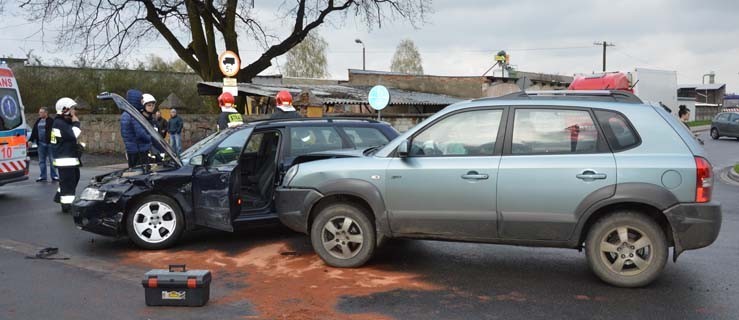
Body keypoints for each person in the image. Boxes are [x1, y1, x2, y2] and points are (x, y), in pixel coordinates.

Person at [51, 97, 82, 213]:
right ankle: (66, 205)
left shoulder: (62, 122)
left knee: (72, 180)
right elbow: (74, 134)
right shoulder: (60, 123)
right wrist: (76, 122)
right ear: (65, 110)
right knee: (68, 182)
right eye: (72, 108)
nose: (75, 111)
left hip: (69, 157)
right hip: (65, 159)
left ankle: (60, 196)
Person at [121, 89, 152, 168]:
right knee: (141, 173)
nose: (142, 102)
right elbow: (140, 133)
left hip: (131, 149)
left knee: (133, 171)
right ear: (136, 100)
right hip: (139, 150)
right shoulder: (133, 115)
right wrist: (150, 138)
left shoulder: (125, 114)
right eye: (141, 100)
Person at [30, 107, 58, 182]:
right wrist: (31, 140)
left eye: (41, 112)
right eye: (39, 112)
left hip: (50, 144)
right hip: (41, 144)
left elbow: (55, 132)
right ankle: (43, 176)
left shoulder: (51, 121)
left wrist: (54, 141)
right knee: (41, 161)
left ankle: (54, 176)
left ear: (46, 113)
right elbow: (34, 131)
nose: (40, 114)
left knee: (52, 160)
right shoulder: (38, 121)